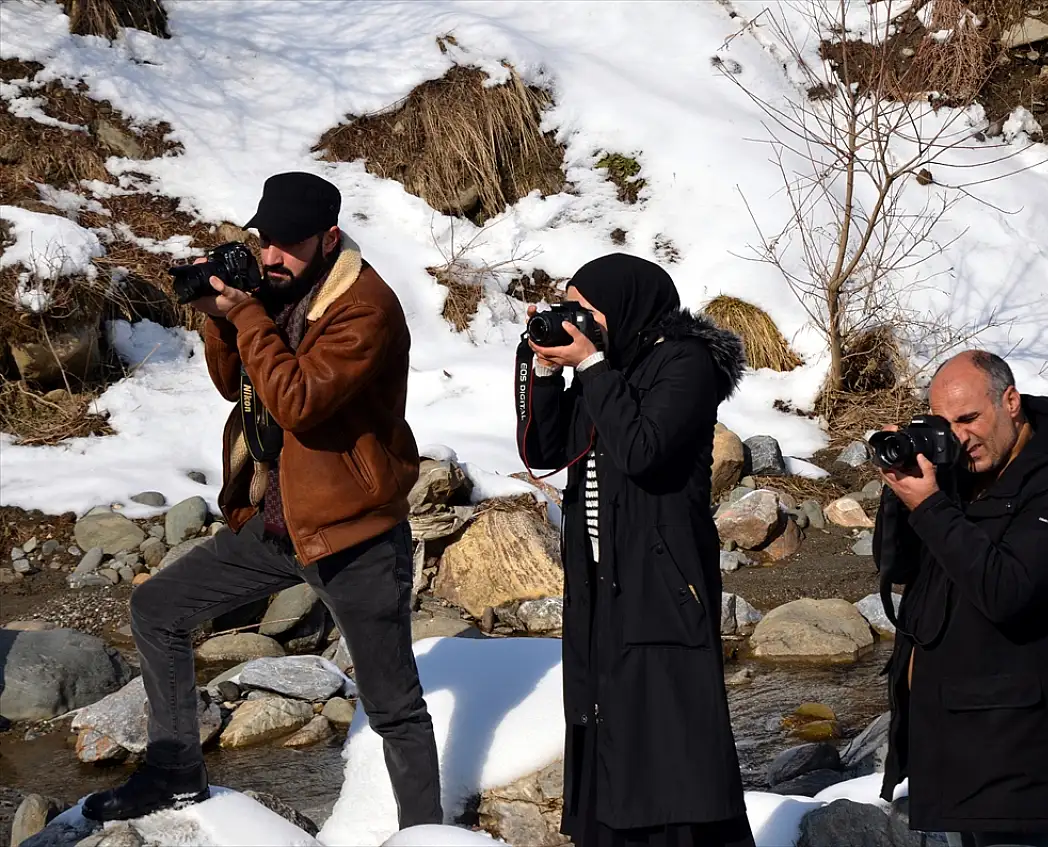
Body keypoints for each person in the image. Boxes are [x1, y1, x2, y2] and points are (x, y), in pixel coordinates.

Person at [83, 172, 442, 829]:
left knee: (395, 708)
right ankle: (175, 771)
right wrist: (220, 316)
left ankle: (428, 834)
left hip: (352, 534)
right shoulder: (273, 289)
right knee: (157, 607)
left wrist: (246, 312)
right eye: (264, 240)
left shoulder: (364, 305)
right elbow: (235, 386)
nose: (271, 255)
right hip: (279, 522)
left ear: (330, 238)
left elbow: (297, 399)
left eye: (288, 245)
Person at [517, 253, 755, 847]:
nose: (580, 322)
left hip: (664, 583)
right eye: (572, 309)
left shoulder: (686, 363)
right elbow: (548, 450)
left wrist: (594, 367)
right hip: (599, 580)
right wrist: (546, 373)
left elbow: (643, 451)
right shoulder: (609, 366)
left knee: (671, 739)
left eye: (588, 309)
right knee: (605, 718)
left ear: (626, 307)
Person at [872, 351, 1048, 847]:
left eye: (970, 418)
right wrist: (903, 493)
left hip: (1017, 747)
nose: (960, 436)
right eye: (946, 423)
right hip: (957, 735)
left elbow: (1009, 593)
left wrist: (932, 506)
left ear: (1011, 402)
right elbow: (899, 570)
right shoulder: (963, 477)